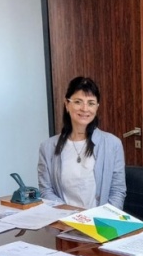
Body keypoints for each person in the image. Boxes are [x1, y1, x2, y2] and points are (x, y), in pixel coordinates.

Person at [37, 76, 126, 209]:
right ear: (67, 104)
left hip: (101, 220)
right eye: (78, 102)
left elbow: (117, 191)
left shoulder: (112, 144)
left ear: (97, 107)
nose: (85, 109)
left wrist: (105, 218)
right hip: (64, 219)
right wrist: (71, 216)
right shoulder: (48, 147)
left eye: (91, 103)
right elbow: (46, 191)